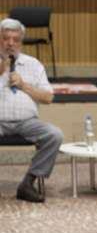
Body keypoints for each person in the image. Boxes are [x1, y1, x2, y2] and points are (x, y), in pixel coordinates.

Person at [0, 17, 63, 203]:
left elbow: (48, 97)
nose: (10, 43)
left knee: (54, 135)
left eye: (15, 39)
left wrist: (24, 85)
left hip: (27, 122)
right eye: (5, 38)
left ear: (21, 42)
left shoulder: (33, 64)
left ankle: (28, 183)